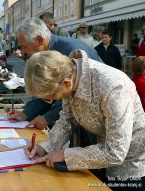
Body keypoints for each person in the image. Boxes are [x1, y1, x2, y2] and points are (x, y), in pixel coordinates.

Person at [24, 49, 145, 191]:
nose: (52, 100)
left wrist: (66, 154)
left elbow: (116, 152)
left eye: (50, 97)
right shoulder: (69, 74)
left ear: (66, 83)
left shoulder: (114, 87)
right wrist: (46, 146)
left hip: (128, 170)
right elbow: (67, 119)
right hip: (95, 158)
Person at [8, 18, 102, 134]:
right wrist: (26, 113)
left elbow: (71, 97)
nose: (23, 52)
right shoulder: (48, 53)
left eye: (24, 47)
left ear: (39, 40)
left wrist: (47, 118)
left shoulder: (72, 52)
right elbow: (45, 91)